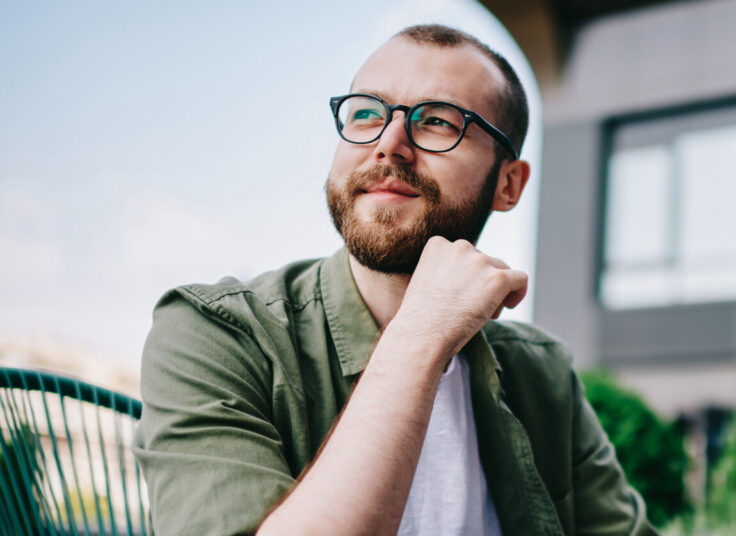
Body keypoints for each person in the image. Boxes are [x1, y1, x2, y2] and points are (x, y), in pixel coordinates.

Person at [133, 24, 656, 536]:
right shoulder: (216, 333)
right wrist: (423, 332)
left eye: (437, 122)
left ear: (508, 183)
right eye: (366, 113)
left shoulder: (541, 372)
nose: (389, 144)